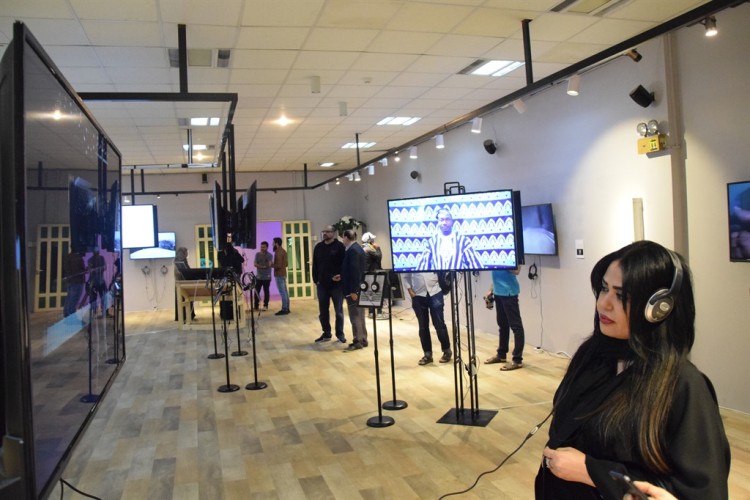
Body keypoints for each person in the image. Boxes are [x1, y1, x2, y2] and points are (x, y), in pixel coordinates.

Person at [535, 241, 730, 499]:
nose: (603, 304)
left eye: (622, 296)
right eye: (604, 288)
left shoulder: (683, 386)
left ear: (658, 309)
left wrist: (593, 472)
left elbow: (700, 491)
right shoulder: (591, 356)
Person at [403, 272, 452, 365]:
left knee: (439, 324)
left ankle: (447, 351)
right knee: (423, 326)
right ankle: (427, 355)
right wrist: (409, 290)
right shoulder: (412, 262)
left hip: (435, 292)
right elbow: (405, 275)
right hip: (418, 294)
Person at [484, 268, 525, 371]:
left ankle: (517, 360)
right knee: (502, 325)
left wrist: (503, 264)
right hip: (498, 292)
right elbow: (496, 275)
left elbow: (517, 271)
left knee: (516, 327)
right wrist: (491, 290)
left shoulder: (512, 256)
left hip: (509, 293)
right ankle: (501, 355)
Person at [416, 207, 482, 271]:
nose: (444, 223)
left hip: (459, 277)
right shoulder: (431, 242)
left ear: (452, 222)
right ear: (438, 222)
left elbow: (475, 265)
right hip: (438, 278)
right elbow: (422, 268)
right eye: (441, 220)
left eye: (447, 219)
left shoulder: (463, 241)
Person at [312, 225, 346, 343]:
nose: (325, 233)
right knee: (323, 312)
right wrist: (316, 280)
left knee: (339, 312)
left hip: (337, 285)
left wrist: (341, 275)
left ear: (333, 233)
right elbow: (315, 264)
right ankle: (326, 333)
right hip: (322, 285)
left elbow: (344, 264)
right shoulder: (318, 247)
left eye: (327, 231)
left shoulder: (340, 246)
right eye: (324, 231)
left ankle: (340, 334)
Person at [341, 229, 368, 351]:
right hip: (359, 287)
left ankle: (358, 341)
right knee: (360, 314)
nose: (342, 240)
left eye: (343, 237)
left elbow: (355, 272)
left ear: (346, 237)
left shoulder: (353, 251)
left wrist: (353, 290)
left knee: (355, 315)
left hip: (354, 289)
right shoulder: (358, 248)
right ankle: (363, 339)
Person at [361, 232, 383, 317]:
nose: (374, 241)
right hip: (374, 273)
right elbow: (379, 257)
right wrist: (378, 248)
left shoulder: (363, 248)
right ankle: (379, 312)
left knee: (370, 292)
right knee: (377, 292)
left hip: (367, 274)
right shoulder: (369, 249)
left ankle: (371, 312)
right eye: (372, 239)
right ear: (369, 240)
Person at [174, 246, 197, 320]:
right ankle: (184, 317)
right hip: (182, 284)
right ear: (183, 253)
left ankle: (188, 316)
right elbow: (184, 272)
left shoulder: (181, 260)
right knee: (183, 299)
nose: (187, 254)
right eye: (186, 252)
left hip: (183, 283)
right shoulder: (180, 261)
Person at [63, 250, 86, 317]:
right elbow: (80, 271)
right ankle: (72, 317)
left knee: (69, 298)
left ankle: (66, 314)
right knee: (74, 300)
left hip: (70, 281)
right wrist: (87, 269)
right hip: (77, 281)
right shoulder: (78, 258)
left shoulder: (67, 256)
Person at [86, 247, 108, 317]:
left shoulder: (92, 259)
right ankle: (100, 312)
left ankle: (96, 312)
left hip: (96, 281)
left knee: (96, 298)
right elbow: (104, 267)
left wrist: (95, 269)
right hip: (98, 281)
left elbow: (104, 267)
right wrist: (98, 269)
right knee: (101, 297)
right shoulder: (100, 258)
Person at [253, 241, 273, 310]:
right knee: (256, 291)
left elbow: (269, 265)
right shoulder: (257, 254)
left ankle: (265, 305)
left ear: (267, 247)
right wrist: (262, 266)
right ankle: (256, 305)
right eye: (261, 247)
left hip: (267, 277)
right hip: (258, 277)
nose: (262, 248)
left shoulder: (269, 255)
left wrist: (260, 265)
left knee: (266, 291)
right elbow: (255, 264)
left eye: (263, 247)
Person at [272, 237, 290, 315]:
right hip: (283, 274)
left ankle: (284, 309)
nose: (272, 244)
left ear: (276, 243)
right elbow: (286, 264)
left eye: (273, 242)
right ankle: (287, 308)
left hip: (279, 274)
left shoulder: (278, 252)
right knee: (285, 292)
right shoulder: (283, 251)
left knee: (282, 292)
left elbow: (278, 265)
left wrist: (271, 265)